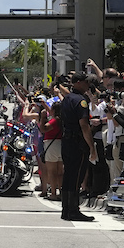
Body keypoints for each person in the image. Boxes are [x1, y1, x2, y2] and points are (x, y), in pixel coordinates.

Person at [58, 72, 98, 222]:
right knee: (76, 176)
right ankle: (73, 210)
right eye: (86, 82)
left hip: (66, 141)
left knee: (68, 175)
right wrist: (91, 146)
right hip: (77, 143)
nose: (88, 85)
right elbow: (84, 125)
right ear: (78, 82)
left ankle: (66, 209)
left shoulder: (67, 98)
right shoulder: (81, 101)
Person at [39, 100, 63, 201]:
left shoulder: (55, 120)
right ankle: (61, 192)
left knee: (52, 171)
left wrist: (42, 118)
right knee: (60, 172)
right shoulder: (63, 120)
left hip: (52, 145)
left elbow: (43, 129)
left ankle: (53, 193)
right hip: (61, 145)